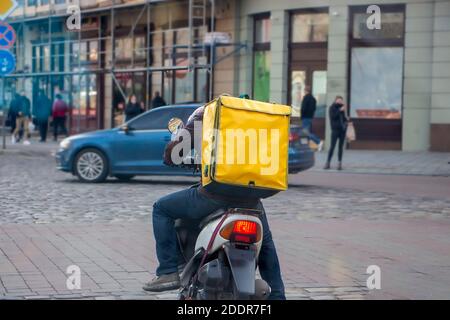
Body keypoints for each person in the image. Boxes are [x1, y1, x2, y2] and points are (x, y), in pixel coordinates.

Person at [142, 106, 286, 300]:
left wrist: (172, 152)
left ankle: (168, 271)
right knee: (266, 244)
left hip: (214, 196)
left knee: (161, 209)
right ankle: (277, 295)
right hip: (252, 199)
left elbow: (173, 153)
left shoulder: (207, 115)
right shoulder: (252, 121)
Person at [324, 96, 348, 170]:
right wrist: (340, 110)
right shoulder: (332, 108)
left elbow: (343, 118)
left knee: (340, 147)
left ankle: (339, 163)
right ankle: (327, 163)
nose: (340, 101)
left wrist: (347, 120)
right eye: (339, 100)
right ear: (335, 100)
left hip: (342, 130)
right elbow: (333, 117)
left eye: (341, 100)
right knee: (332, 147)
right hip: (335, 130)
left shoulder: (342, 108)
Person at [301, 85, 323, 151]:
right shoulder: (313, 99)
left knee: (305, 133)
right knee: (307, 132)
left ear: (305, 91)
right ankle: (306, 147)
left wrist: (302, 116)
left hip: (305, 118)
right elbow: (314, 108)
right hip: (310, 117)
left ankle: (318, 141)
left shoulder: (306, 98)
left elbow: (303, 108)